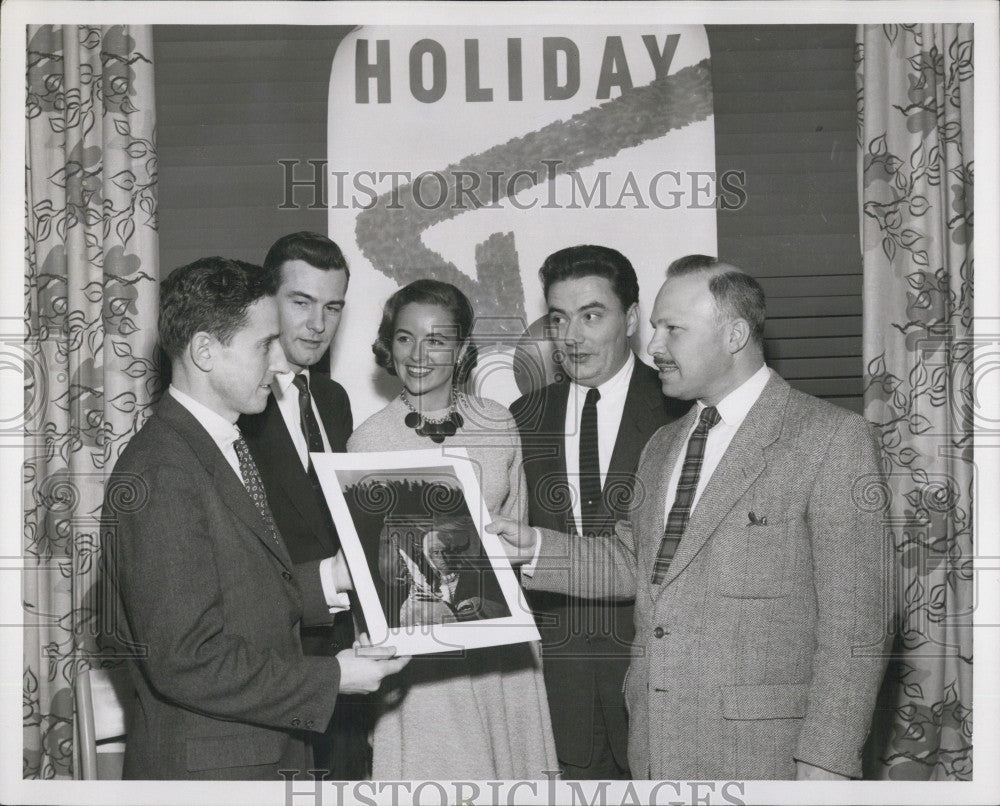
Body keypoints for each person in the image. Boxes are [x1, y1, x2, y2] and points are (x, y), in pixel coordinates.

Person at [491, 255, 892, 780]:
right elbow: (634, 563)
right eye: (655, 327)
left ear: (734, 334)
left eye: (671, 329)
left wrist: (826, 760)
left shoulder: (831, 440)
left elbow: (859, 627)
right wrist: (535, 548)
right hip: (655, 750)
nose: (654, 346)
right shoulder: (664, 444)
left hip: (767, 758)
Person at [101, 257, 407, 780]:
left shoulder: (216, 445)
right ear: (204, 351)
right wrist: (332, 677)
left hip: (254, 755)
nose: (282, 364)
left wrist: (330, 578)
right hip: (214, 774)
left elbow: (240, 593)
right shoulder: (161, 471)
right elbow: (186, 659)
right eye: (265, 344)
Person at [347, 279, 558, 780]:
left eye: (437, 339)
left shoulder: (499, 422)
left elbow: (519, 535)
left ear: (462, 348)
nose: (418, 354)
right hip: (418, 662)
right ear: (389, 344)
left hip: (500, 656)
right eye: (404, 338)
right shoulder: (365, 442)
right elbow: (365, 573)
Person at [509, 244, 688, 780]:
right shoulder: (523, 418)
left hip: (660, 692)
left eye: (592, 315)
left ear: (631, 319)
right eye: (560, 318)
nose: (572, 336)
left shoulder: (681, 411)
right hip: (556, 695)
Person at [238, 231, 367, 778]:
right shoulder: (235, 405)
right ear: (268, 301)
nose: (318, 324)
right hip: (270, 669)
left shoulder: (334, 400)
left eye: (332, 306)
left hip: (347, 666)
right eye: (302, 302)